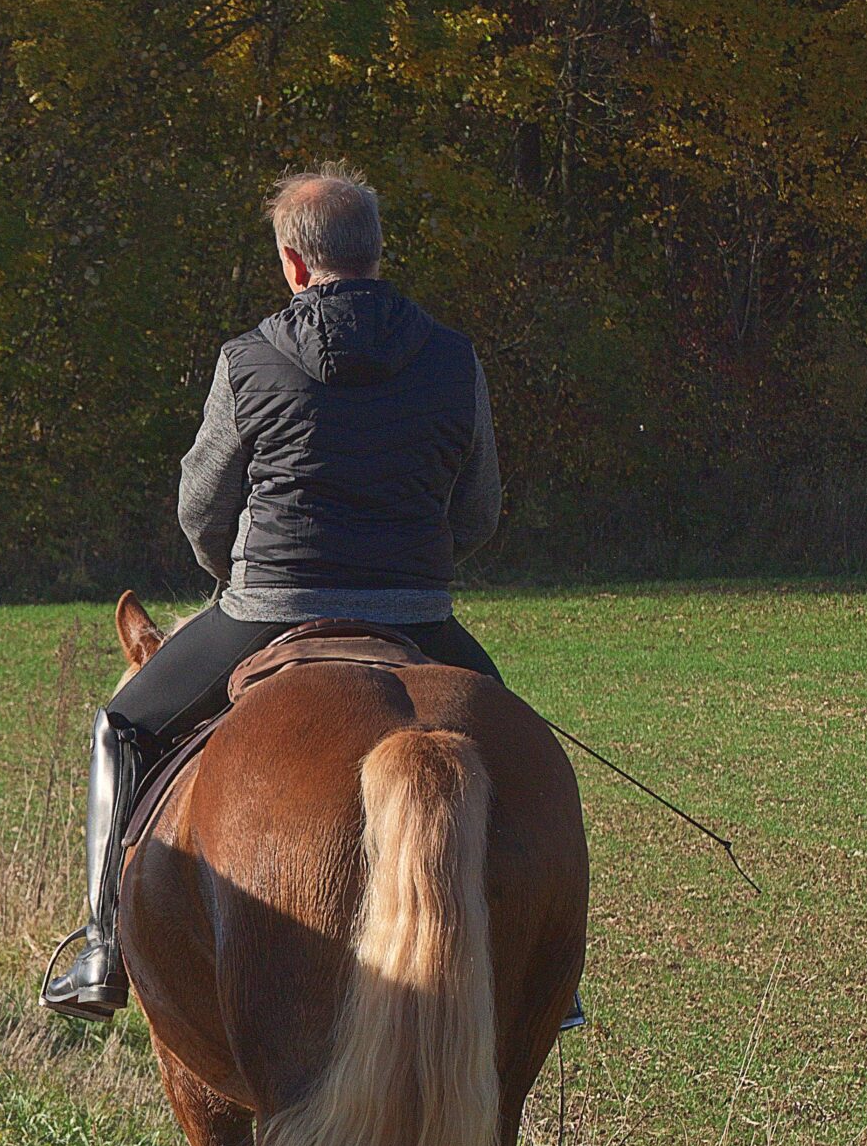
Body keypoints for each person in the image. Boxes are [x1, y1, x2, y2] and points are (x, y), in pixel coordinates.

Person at [42, 163, 578, 1029]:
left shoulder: (248, 359)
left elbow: (201, 510)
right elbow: (479, 510)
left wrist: (235, 579)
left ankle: (102, 947)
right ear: (378, 253)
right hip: (417, 613)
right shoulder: (454, 359)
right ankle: (552, 979)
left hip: (268, 606)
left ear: (294, 264)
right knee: (516, 746)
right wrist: (416, 567)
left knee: (123, 726)